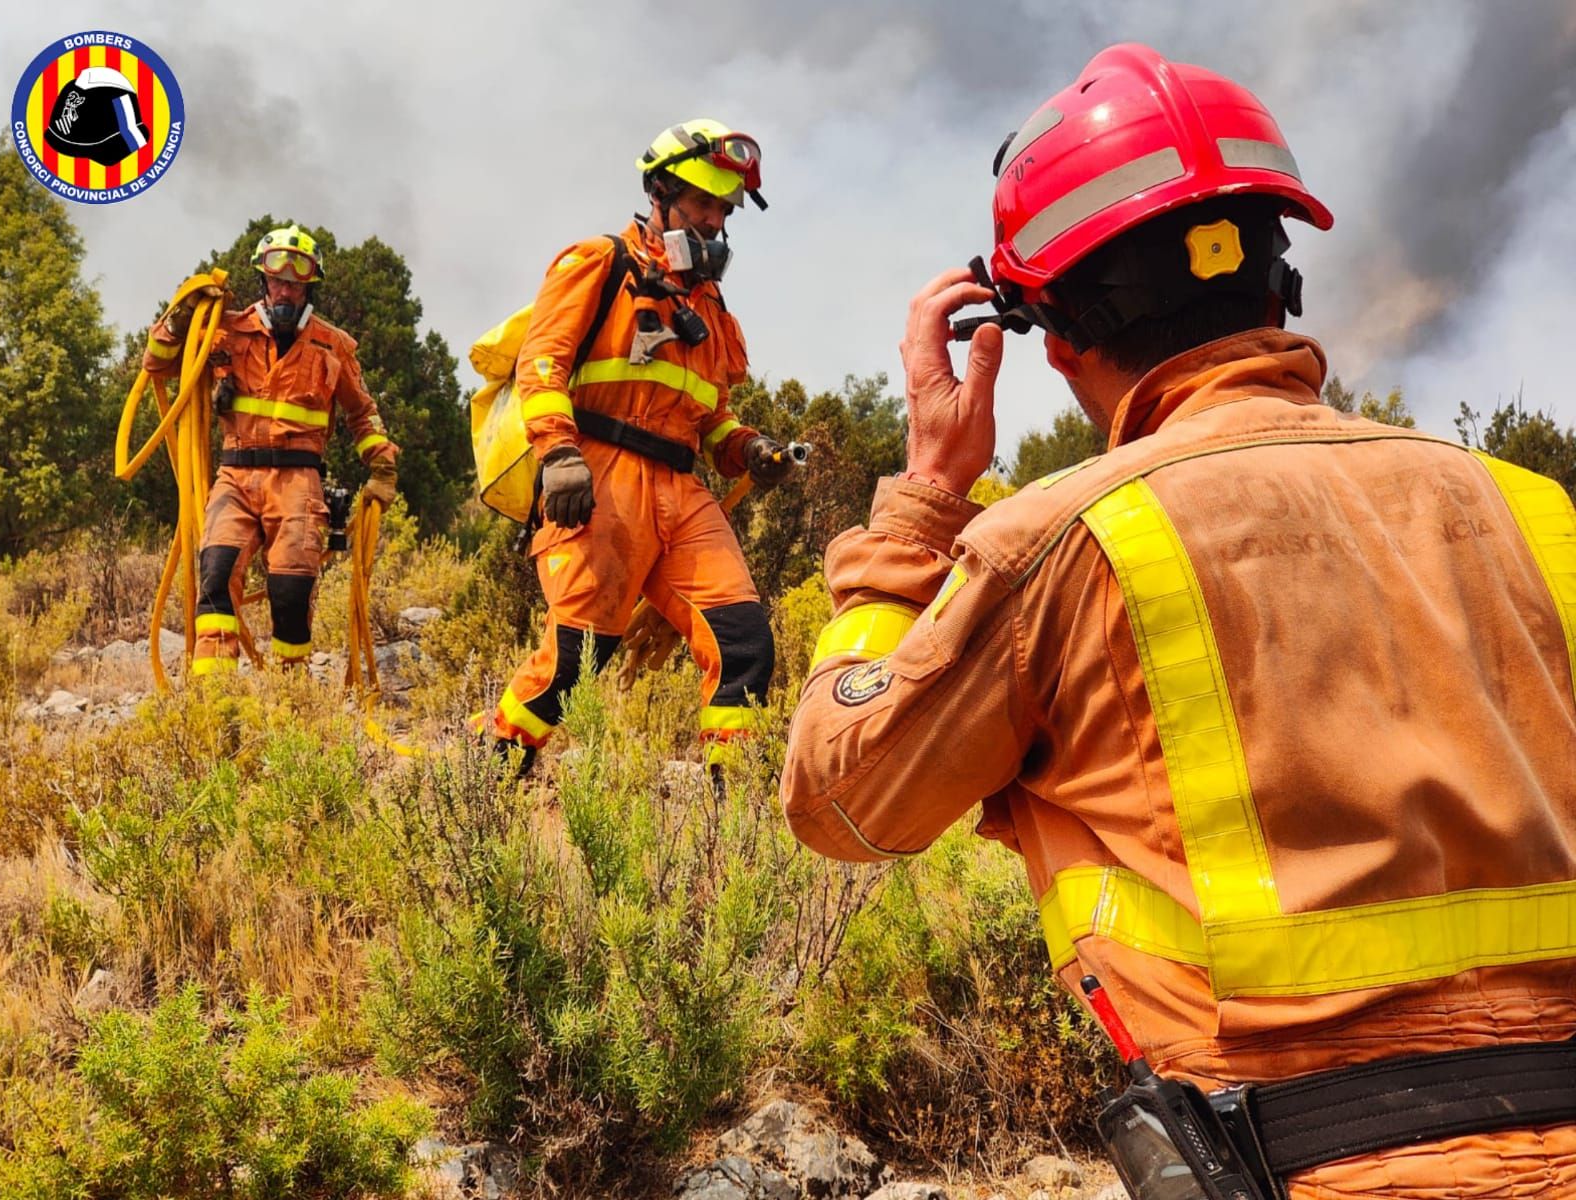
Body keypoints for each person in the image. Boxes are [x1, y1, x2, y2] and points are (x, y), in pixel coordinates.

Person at [781, 43, 1576, 1199]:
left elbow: (843, 797)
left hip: (1309, 1171)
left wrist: (918, 508)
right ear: (1276, 280)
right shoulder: (1535, 512)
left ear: (1051, 337)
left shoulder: (1065, 538)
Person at [480, 119, 796, 776]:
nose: (712, 220)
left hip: (682, 495)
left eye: (722, 207)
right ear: (660, 192)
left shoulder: (713, 311)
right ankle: (491, 786)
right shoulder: (599, 264)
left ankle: (729, 824)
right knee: (575, 663)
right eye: (701, 202)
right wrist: (559, 456)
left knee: (744, 645)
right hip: (597, 479)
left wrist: (749, 449)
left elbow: (710, 424)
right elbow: (542, 366)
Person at [142, 224, 399, 674]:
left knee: (290, 594)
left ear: (309, 287)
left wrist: (382, 468)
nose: (285, 289)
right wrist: (181, 316)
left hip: (298, 483)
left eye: (296, 282)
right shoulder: (225, 331)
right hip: (235, 479)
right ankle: (215, 707)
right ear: (263, 281)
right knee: (216, 577)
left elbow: (364, 413)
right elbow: (157, 364)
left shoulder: (332, 345)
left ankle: (290, 696)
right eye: (277, 279)